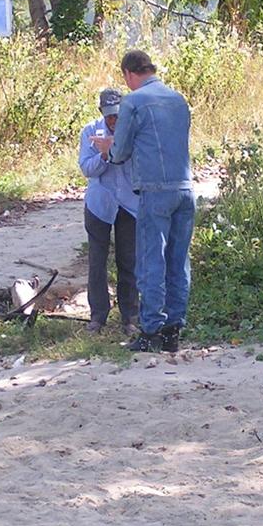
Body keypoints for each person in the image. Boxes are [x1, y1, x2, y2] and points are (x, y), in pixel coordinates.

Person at [91, 50, 194, 353]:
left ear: (128, 74)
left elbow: (120, 152)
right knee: (179, 261)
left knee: (151, 260)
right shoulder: (177, 99)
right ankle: (173, 330)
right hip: (185, 187)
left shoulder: (133, 101)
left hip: (154, 189)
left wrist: (108, 146)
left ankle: (150, 330)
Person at [79, 88, 139, 334]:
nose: (114, 121)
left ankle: (131, 316)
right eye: (109, 116)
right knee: (97, 261)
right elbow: (86, 168)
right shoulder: (90, 132)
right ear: (101, 113)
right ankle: (98, 317)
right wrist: (104, 155)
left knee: (129, 260)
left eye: (117, 115)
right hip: (99, 204)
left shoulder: (134, 131)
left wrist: (117, 147)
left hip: (128, 204)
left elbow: (140, 163)